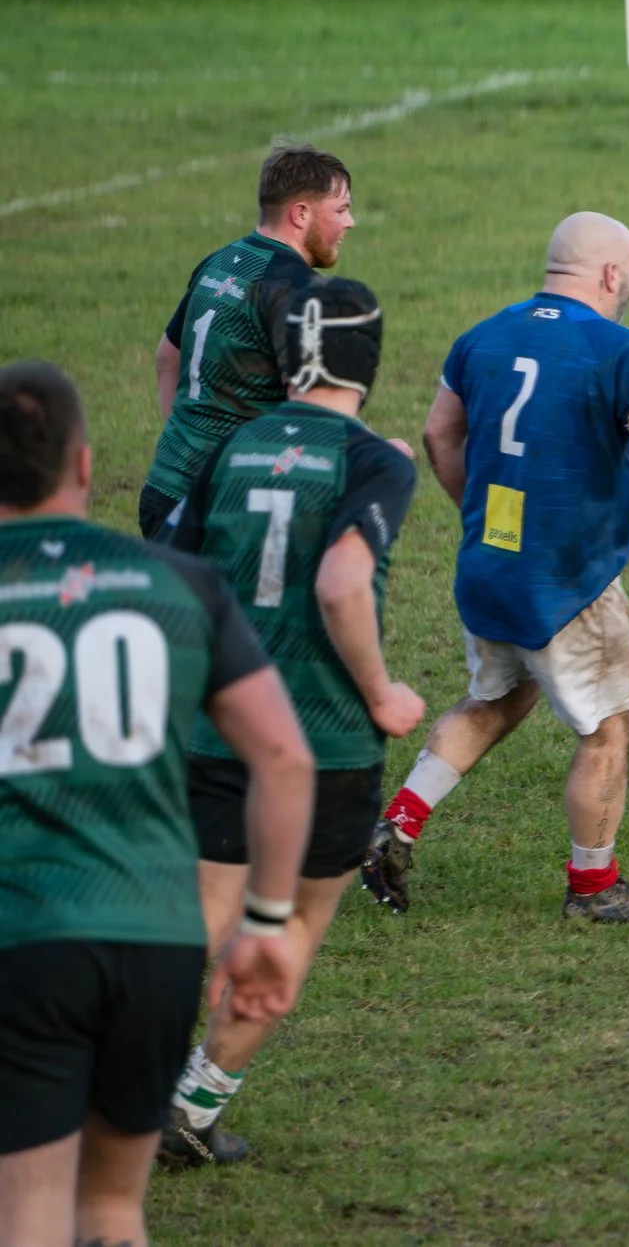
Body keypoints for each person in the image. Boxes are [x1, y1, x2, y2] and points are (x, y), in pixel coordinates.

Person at [363, 212, 629, 922]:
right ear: (612, 274)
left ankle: (398, 820)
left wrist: (478, 514)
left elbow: (437, 431)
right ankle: (593, 887)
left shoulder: (480, 337)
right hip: (568, 579)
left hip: (491, 561)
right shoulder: (620, 350)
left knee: (497, 697)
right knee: (607, 728)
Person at [0, 361, 313, 1244]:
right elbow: (284, 757)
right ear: (87, 465)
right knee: (109, 1208)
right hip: (156, 940)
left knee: (28, 1210)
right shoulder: (179, 581)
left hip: (24, 936)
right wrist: (266, 921)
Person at [156, 278, 423, 1168]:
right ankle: (190, 1113)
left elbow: (172, 578)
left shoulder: (229, 445)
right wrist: (382, 692)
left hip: (218, 727)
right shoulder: (375, 460)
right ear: (367, 357)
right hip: (326, 741)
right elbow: (343, 582)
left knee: (196, 922)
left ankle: (113, 1088)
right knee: (290, 933)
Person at [141, 145, 355, 538]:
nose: (351, 222)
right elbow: (313, 411)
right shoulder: (298, 288)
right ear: (301, 213)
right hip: (231, 509)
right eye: (341, 210)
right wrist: (377, 456)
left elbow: (167, 358)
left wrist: (189, 446)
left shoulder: (220, 261)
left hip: (165, 489)